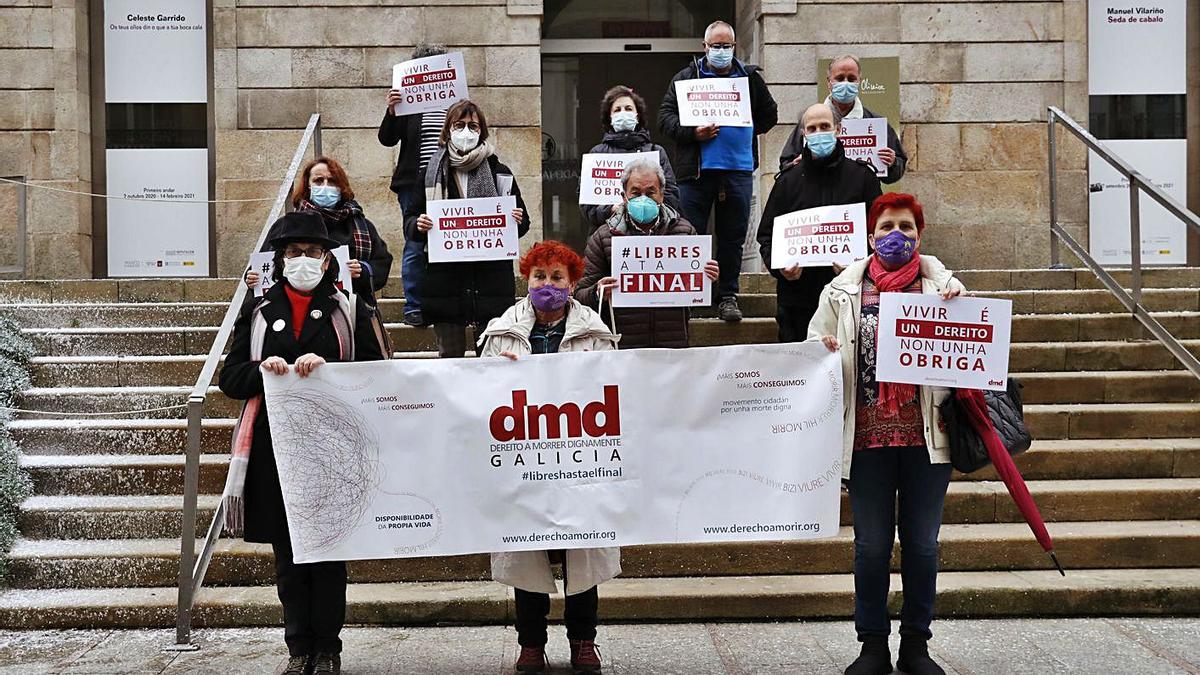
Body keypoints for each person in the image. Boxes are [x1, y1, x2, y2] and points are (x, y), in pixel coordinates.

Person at [219, 211, 386, 675]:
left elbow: (376, 370)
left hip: (332, 447)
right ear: (280, 260)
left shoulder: (349, 307)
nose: (303, 261)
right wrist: (263, 369)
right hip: (274, 448)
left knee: (328, 555)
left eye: (313, 253)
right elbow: (229, 377)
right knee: (289, 559)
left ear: (328, 261)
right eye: (293, 254)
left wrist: (328, 368)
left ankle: (328, 648)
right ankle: (298, 649)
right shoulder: (256, 309)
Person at [809, 192, 964, 675]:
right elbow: (815, 341)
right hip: (866, 441)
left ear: (920, 234)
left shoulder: (944, 289)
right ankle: (872, 643)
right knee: (871, 547)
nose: (895, 236)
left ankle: (916, 645)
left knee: (922, 545)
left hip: (926, 439)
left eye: (906, 227)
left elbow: (970, 354)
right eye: (885, 227)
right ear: (870, 235)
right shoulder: (841, 291)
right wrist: (825, 347)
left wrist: (959, 310)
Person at [478, 241, 620, 674]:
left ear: (574, 283)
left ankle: (583, 641)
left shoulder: (595, 332)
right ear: (527, 279)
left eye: (557, 277)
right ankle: (531, 644)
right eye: (540, 276)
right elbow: (475, 392)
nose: (548, 284)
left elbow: (614, 387)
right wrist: (494, 373)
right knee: (527, 552)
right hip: (525, 460)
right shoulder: (501, 331)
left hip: (579, 459)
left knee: (582, 552)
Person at [657, 20, 777, 323]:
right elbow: (664, 118)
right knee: (689, 235)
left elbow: (770, 114)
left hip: (737, 171)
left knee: (732, 238)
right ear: (704, 46)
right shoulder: (686, 78)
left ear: (734, 46)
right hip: (696, 174)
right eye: (716, 46)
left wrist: (746, 129)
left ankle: (727, 297)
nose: (721, 51)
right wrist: (693, 132)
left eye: (726, 46)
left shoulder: (749, 78)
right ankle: (691, 296)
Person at [405, 99, 530, 358]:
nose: (465, 131)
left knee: (494, 361)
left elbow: (523, 223)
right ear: (448, 129)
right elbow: (409, 221)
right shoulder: (430, 172)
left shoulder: (499, 171)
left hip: (490, 284)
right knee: (450, 363)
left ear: (481, 131)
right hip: (446, 285)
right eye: (459, 125)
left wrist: (516, 219)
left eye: (472, 126)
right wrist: (418, 224)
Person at [756, 103, 882, 343]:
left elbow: (878, 232)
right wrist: (780, 268)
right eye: (811, 128)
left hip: (850, 296)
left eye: (824, 126)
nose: (818, 133)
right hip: (798, 300)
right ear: (804, 135)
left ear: (838, 130)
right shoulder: (787, 182)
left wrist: (857, 268)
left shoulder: (863, 177)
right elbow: (766, 235)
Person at [574, 158, 719, 350]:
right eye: (636, 193)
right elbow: (579, 295)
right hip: (622, 347)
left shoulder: (685, 232)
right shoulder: (603, 236)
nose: (643, 198)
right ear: (623, 196)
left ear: (662, 195)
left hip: (672, 345)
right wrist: (597, 292)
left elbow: (702, 296)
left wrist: (711, 279)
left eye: (651, 192)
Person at [246, 156, 393, 305]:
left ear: (341, 186)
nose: (325, 186)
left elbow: (382, 263)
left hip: (349, 311)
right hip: (291, 311)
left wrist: (362, 270)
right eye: (318, 181)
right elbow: (263, 265)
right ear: (307, 186)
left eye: (332, 181)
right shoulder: (285, 225)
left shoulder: (362, 227)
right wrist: (252, 278)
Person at [379, 43, 450, 327]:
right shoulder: (407, 105)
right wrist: (392, 111)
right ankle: (414, 306)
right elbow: (387, 139)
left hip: (448, 181)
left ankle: (443, 302)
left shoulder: (453, 102)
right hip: (413, 184)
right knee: (415, 243)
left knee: (447, 243)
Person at [778, 55, 908, 184]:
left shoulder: (876, 123)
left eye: (851, 79)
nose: (845, 83)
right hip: (817, 196)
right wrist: (795, 166)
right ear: (829, 82)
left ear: (859, 82)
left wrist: (893, 163)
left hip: (860, 196)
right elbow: (785, 162)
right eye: (839, 78)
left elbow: (897, 169)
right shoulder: (810, 122)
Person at [580, 85, 680, 232]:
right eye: (617, 110)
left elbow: (671, 196)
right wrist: (611, 210)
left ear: (637, 115)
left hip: (654, 232)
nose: (623, 113)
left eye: (628, 108)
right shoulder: (597, 154)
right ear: (610, 117)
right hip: (609, 235)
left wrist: (648, 207)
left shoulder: (656, 151)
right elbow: (587, 206)